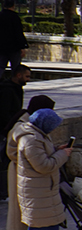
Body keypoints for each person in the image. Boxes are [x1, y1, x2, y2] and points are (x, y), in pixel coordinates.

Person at [12, 108, 71, 230]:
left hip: (44, 189)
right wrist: (63, 155)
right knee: (39, 228)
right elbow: (44, 165)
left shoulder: (38, 135)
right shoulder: (30, 139)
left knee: (49, 225)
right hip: (36, 191)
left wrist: (58, 150)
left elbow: (44, 156)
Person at [6, 95, 53, 230]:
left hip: (29, 174)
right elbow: (11, 152)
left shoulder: (32, 124)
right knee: (21, 211)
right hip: (21, 174)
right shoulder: (22, 127)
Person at [0, 64, 32, 201]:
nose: (28, 79)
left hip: (9, 129)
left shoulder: (16, 88)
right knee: (3, 162)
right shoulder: (7, 90)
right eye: (27, 76)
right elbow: (4, 112)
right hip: (4, 130)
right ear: (18, 75)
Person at [0, 0, 28, 73]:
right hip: (14, 48)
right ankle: (15, 83)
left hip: (1, 47)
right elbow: (18, 33)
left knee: (1, 66)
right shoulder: (15, 17)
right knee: (15, 68)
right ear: (13, 6)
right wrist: (22, 47)